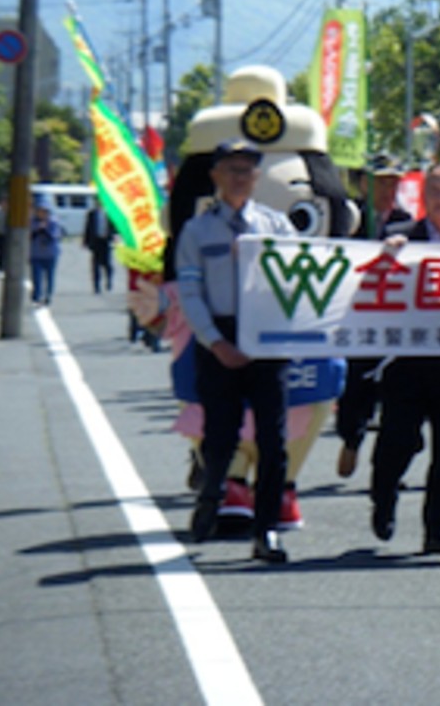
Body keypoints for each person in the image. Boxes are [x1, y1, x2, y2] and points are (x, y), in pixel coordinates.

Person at [177, 138, 296, 562]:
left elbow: (296, 280)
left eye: (247, 169)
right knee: (221, 437)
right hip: (220, 337)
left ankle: (265, 531)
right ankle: (210, 496)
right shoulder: (197, 231)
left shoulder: (276, 226)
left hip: (265, 337)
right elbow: (190, 294)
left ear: (257, 177)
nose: (239, 177)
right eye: (231, 169)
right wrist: (216, 342)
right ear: (215, 176)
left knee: (273, 439)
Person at [370, 164, 440, 555]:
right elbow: (369, 284)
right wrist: (387, 257)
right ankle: (383, 495)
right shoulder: (398, 238)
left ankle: (439, 528)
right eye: (435, 189)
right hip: (409, 362)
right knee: (397, 442)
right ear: (422, 196)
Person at [335, 153, 412, 478]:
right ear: (365, 183)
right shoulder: (349, 216)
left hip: (394, 319)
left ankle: (388, 468)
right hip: (357, 316)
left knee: (399, 396)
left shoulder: (406, 221)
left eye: (393, 182)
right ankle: (351, 440)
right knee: (357, 388)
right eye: (381, 181)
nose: (387, 188)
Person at [28, 199, 63, 305]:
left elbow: (54, 236)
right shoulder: (32, 222)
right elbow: (29, 236)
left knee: (50, 276)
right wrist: (37, 229)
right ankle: (37, 296)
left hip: (50, 254)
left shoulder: (53, 222)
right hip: (36, 254)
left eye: (44, 211)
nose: (42, 213)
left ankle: (48, 295)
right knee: (36, 277)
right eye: (39, 211)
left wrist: (45, 230)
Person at [83, 200, 116, 294]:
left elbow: (114, 227)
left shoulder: (110, 212)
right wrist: (86, 241)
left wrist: (115, 237)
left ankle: (109, 281)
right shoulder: (92, 214)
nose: (99, 203)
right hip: (96, 241)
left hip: (106, 241)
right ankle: (96, 286)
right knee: (95, 265)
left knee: (107, 264)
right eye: (98, 202)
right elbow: (88, 227)